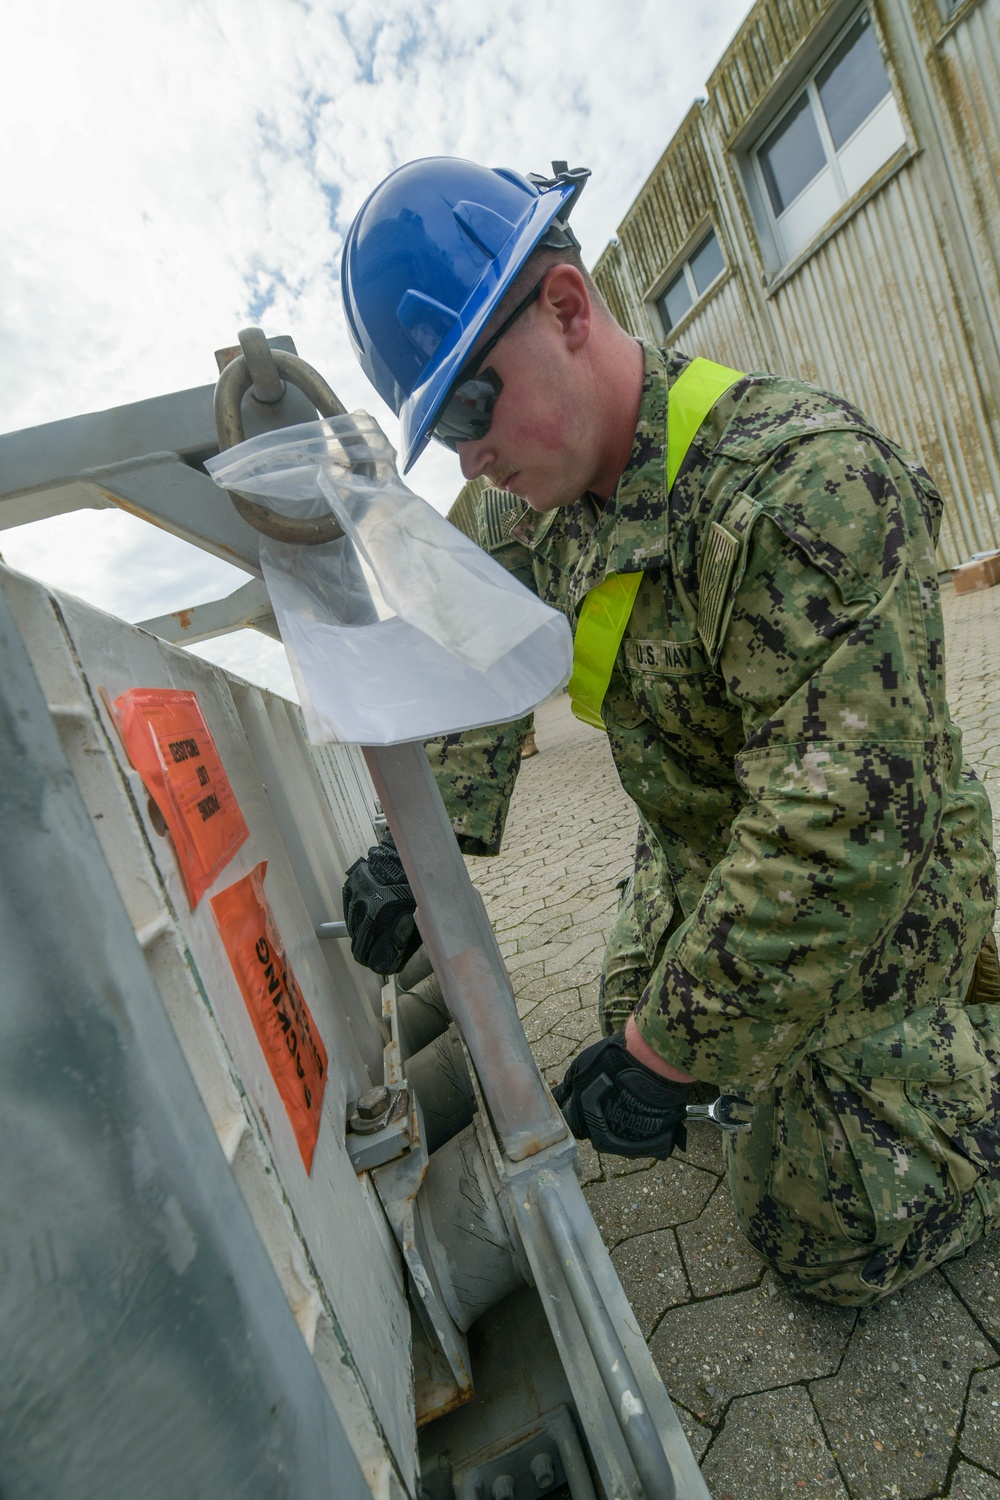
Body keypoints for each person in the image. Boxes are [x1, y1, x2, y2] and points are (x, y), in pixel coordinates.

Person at [339, 156, 1000, 1305]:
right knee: (634, 1012)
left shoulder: (798, 487)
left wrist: (664, 1054)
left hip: (879, 863)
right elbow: (477, 669)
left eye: (469, 406)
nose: (469, 455)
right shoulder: (529, 502)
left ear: (565, 308)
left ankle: (955, 1039)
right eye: (440, 430)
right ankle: (874, 1027)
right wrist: (415, 848)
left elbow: (835, 837)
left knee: (824, 1224)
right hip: (712, 834)